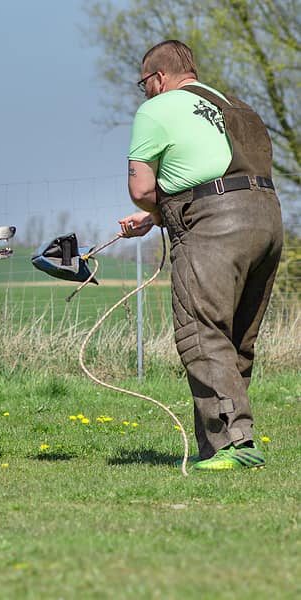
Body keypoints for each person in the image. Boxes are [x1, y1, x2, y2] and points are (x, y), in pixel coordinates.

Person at [117, 41, 283, 470]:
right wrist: (156, 219)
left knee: (202, 331)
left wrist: (153, 211)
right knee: (236, 339)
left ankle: (232, 445)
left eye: (144, 84)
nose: (146, 93)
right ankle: (234, 441)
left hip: (212, 227)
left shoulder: (157, 109)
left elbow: (141, 189)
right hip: (267, 218)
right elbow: (217, 172)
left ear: (158, 78)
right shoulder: (234, 106)